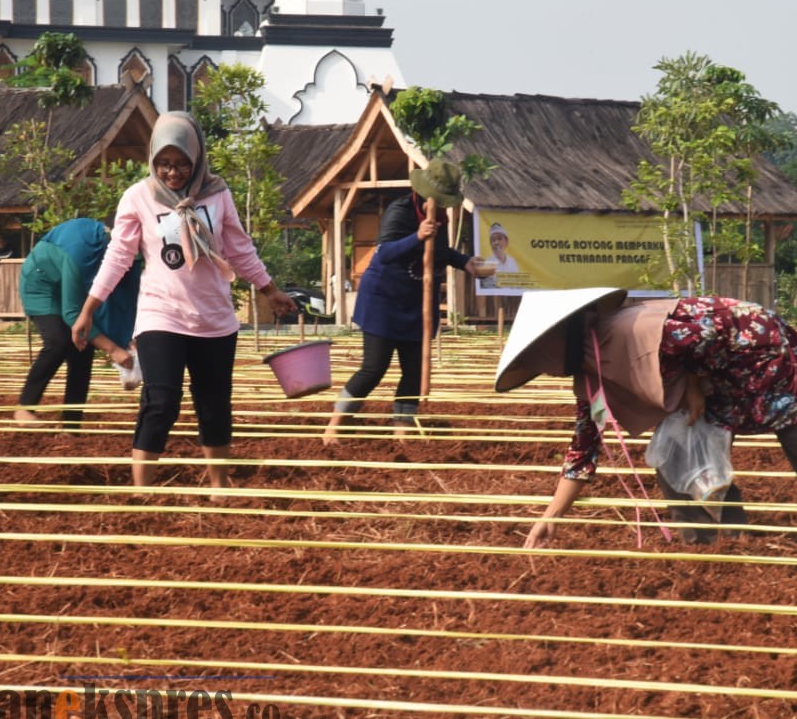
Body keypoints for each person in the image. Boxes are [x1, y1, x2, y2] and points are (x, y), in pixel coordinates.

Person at [494, 288, 797, 549]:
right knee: (677, 455)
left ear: (558, 339)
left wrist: (692, 383)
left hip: (759, 356)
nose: (542, 369)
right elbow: (584, 452)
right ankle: (716, 543)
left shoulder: (633, 328)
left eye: (538, 358)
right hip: (710, 383)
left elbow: (706, 333)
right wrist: (551, 519)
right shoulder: (592, 380)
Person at [71, 111, 295, 489]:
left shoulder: (218, 194)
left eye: (181, 164)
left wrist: (269, 290)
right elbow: (119, 257)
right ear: (153, 160)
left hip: (215, 318)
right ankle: (142, 490)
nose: (172, 173)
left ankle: (219, 485)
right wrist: (88, 310)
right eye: (164, 164)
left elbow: (240, 249)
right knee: (161, 401)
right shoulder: (138, 197)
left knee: (214, 403)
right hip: (162, 314)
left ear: (196, 159)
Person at [322, 160, 494, 443]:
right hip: (384, 301)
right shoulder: (400, 211)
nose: (444, 206)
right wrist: (417, 236)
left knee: (412, 371)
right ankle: (336, 425)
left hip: (416, 302)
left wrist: (466, 263)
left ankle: (402, 430)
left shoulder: (439, 218)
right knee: (374, 367)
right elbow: (385, 252)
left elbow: (439, 251)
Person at [16, 217, 139, 426]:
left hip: (78, 286)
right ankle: (24, 408)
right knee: (59, 342)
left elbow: (129, 299)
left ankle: (71, 423)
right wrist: (113, 350)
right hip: (43, 285)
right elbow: (72, 313)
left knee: (82, 350)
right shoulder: (80, 253)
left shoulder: (133, 256)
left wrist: (130, 338)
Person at [479, 222, 519, 289]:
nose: (496, 243)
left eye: (500, 239)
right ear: (490, 244)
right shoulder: (487, 264)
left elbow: (517, 286)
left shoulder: (513, 262)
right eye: (493, 240)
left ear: (506, 242)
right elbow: (486, 287)